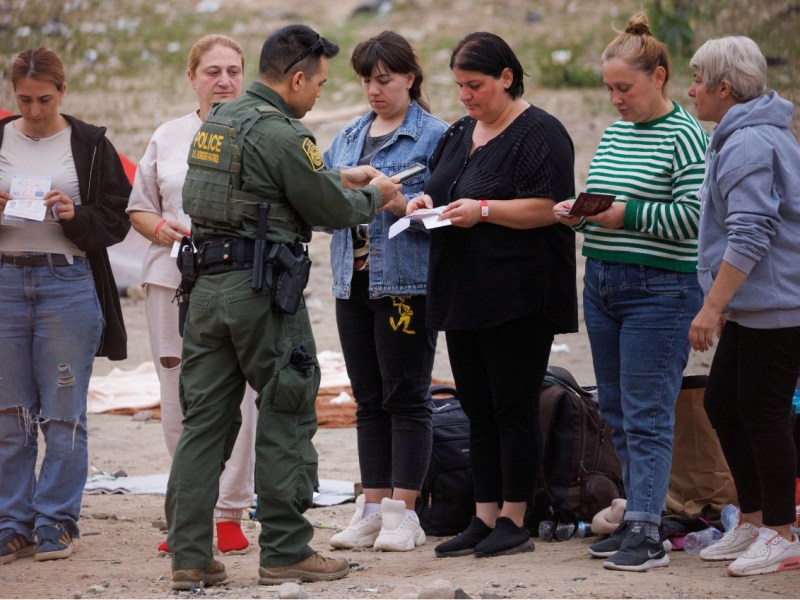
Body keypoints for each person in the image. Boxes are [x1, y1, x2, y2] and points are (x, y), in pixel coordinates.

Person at [163, 24, 401, 590]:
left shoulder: (217, 122)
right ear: (295, 78)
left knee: (204, 425)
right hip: (262, 293)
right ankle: (287, 551)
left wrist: (334, 175)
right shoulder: (282, 133)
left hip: (206, 290)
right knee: (287, 409)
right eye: (317, 82)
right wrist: (377, 194)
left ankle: (190, 557)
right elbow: (327, 209)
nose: (319, 92)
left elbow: (257, 188)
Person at [407, 31, 577, 558]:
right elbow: (446, 187)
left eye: (475, 85)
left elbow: (551, 205)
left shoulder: (540, 132)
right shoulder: (460, 131)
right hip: (464, 291)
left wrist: (483, 211)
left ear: (507, 77)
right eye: (459, 85)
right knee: (476, 406)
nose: (465, 96)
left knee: (513, 406)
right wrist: (425, 202)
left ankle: (515, 518)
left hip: (520, 294)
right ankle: (483, 516)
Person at [553, 11, 707, 572]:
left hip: (660, 290)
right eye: (609, 88)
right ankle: (637, 513)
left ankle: (647, 528)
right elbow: (606, 201)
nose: (615, 99)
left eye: (625, 88)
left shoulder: (688, 135)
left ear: (659, 77)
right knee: (615, 408)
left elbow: (694, 218)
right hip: (603, 282)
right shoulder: (618, 132)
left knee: (647, 412)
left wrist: (622, 215)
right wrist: (581, 215)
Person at [127, 34, 256, 557]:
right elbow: (139, 207)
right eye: (212, 72)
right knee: (178, 395)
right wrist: (160, 230)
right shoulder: (168, 135)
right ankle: (189, 512)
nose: (223, 81)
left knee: (240, 397)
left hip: (240, 281)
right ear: (192, 77)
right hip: (172, 280)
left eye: (233, 70)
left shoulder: (258, 133)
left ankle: (229, 513)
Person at [0, 47, 130, 564]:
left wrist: (74, 215)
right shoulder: (2, 136)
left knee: (62, 414)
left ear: (63, 91)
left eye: (44, 100)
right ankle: (13, 523)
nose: (33, 111)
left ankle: (56, 520)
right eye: (24, 100)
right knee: (10, 414)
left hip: (67, 281)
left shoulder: (91, 143)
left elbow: (115, 220)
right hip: (6, 281)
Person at [322, 31, 448, 553]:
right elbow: (320, 200)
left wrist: (395, 202)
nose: (375, 91)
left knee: (407, 395)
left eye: (385, 80)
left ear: (410, 79)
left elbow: (444, 210)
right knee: (368, 398)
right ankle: (371, 508)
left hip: (404, 282)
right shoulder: (349, 136)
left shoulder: (437, 135)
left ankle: (404, 511)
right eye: (367, 81)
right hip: (350, 281)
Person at [686, 36, 800, 576]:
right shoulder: (740, 136)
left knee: (763, 413)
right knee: (724, 406)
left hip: (778, 306)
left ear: (723, 88)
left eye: (695, 80)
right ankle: (753, 520)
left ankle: (783, 532)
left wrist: (712, 306)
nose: (690, 90)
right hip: (755, 306)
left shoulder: (750, 143)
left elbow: (751, 234)